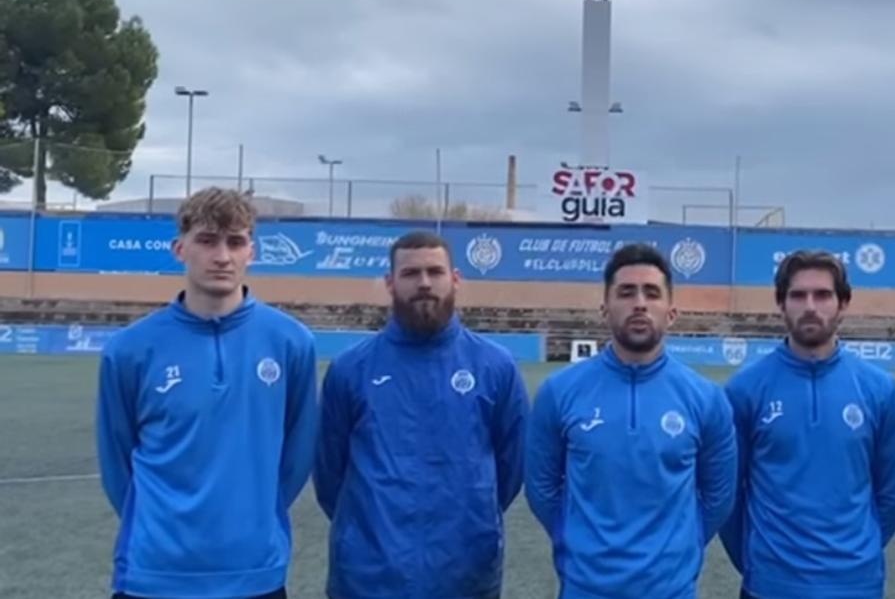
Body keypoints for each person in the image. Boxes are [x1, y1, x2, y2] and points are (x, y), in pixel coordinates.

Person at [95, 187, 318, 599]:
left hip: (255, 573)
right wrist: (160, 527)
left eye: (235, 242)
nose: (222, 256)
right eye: (207, 240)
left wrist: (253, 520)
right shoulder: (129, 350)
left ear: (252, 251)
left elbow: (298, 455)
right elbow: (117, 461)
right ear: (180, 249)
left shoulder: (291, 343)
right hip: (154, 574)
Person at [313, 230, 529, 599]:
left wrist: (472, 518)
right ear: (390, 283)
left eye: (435, 272)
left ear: (456, 279)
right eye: (411, 273)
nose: (425, 283)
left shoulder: (496, 367)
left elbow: (512, 468)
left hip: (466, 576)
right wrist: (369, 535)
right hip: (368, 579)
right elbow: (329, 473)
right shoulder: (351, 369)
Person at [524, 242, 738, 599]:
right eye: (626, 292)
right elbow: (541, 488)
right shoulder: (559, 392)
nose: (639, 303)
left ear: (671, 312)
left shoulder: (706, 398)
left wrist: (685, 542)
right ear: (604, 308)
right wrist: (570, 537)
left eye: (651, 293)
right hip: (585, 588)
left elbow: (719, 495)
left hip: (671, 590)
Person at [719, 249, 895, 599]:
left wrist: (858, 554)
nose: (810, 306)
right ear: (781, 303)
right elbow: (729, 494)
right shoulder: (745, 389)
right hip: (770, 586)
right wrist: (756, 562)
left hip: (856, 585)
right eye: (798, 295)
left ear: (843, 303)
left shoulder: (878, 388)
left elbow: (894, 492)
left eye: (822, 295)